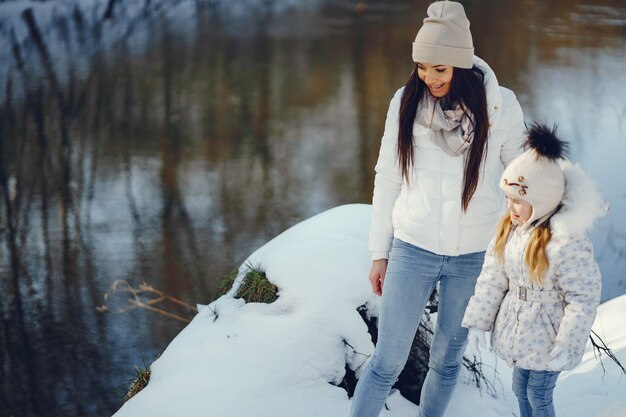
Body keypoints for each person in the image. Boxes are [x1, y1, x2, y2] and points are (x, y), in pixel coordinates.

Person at [350, 2, 526, 417]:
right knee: (386, 363)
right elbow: (388, 176)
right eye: (422, 67)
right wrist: (380, 252)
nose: (429, 78)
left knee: (446, 361)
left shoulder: (501, 106)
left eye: (440, 69)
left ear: (461, 65)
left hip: (474, 256)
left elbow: (521, 179)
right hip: (413, 247)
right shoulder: (405, 103)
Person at [462, 124, 608, 417]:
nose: (511, 207)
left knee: (538, 394)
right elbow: (492, 279)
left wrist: (568, 342)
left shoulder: (566, 241)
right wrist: (479, 321)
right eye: (508, 198)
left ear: (541, 201)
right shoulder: (510, 230)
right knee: (520, 389)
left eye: (519, 200)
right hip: (519, 331)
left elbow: (582, 298)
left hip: (550, 335)